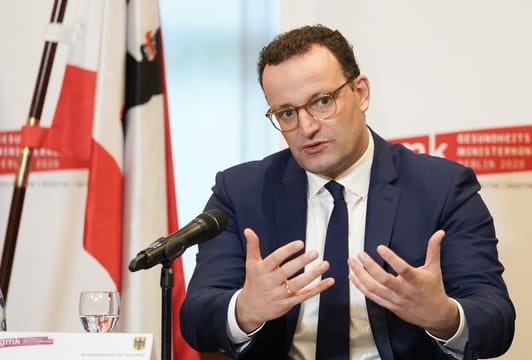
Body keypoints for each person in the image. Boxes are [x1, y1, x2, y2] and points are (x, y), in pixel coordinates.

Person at [180, 24, 515, 359]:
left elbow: (496, 317)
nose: (307, 128)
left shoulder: (442, 188)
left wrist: (444, 316)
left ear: (361, 93)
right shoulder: (241, 192)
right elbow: (196, 315)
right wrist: (244, 310)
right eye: (287, 113)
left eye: (322, 102)